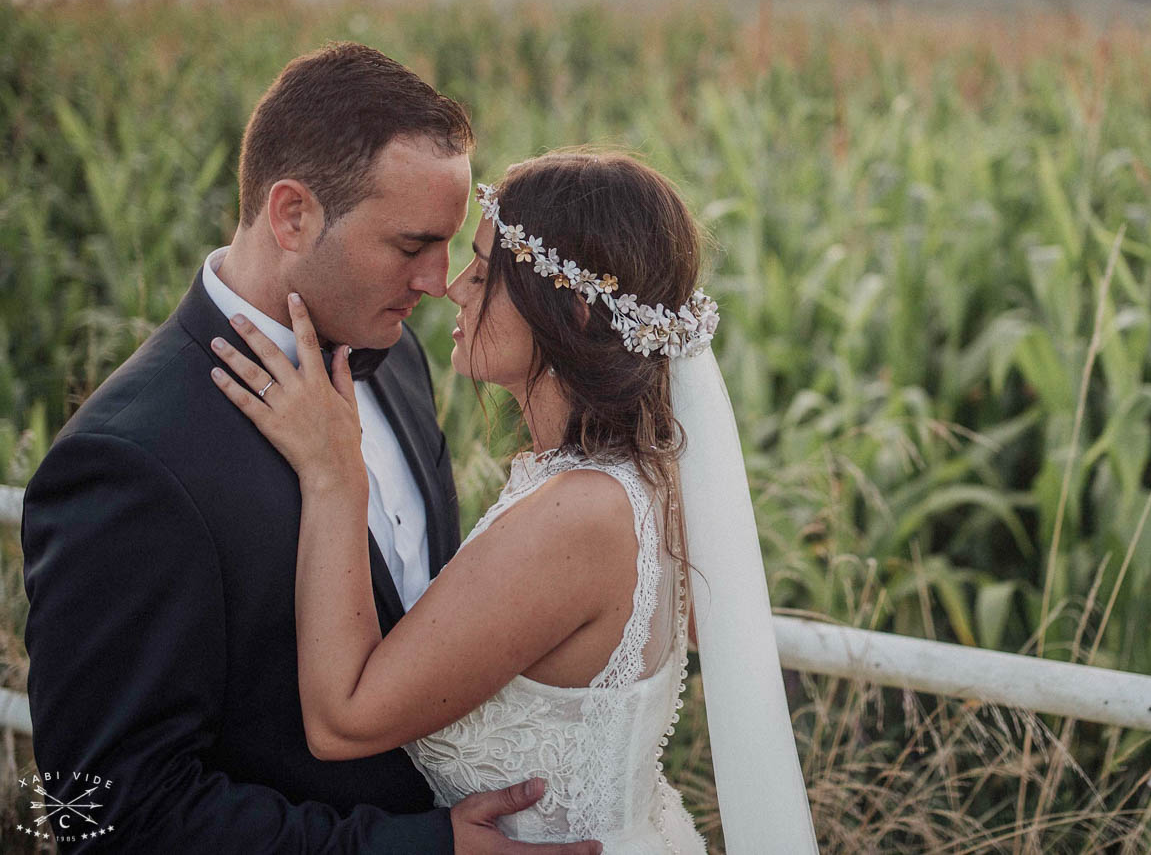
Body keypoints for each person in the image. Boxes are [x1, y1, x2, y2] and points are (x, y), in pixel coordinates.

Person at [22, 43, 595, 853]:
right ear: (292, 214)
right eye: (410, 245)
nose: (439, 282)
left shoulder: (394, 356)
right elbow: (112, 815)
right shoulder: (128, 464)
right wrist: (420, 847)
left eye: (450, 245)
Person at [206, 150, 818, 852]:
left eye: (486, 271)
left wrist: (334, 478)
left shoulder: (581, 515)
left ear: (575, 313)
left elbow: (344, 720)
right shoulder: (639, 476)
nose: (455, 288)